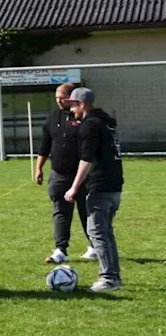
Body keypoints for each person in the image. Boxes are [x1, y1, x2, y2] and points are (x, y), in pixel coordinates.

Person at [63, 88, 124, 293]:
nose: (71, 110)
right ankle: (113, 275)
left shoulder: (90, 125)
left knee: (97, 232)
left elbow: (86, 159)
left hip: (101, 185)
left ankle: (109, 277)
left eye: (72, 105)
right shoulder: (106, 123)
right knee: (105, 232)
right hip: (115, 185)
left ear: (82, 104)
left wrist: (74, 187)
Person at [35, 82, 96, 264]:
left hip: (82, 176)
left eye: (62, 97)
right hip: (58, 174)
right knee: (60, 211)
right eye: (56, 97)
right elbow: (45, 145)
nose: (59, 101)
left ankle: (94, 246)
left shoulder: (84, 118)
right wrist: (39, 168)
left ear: (72, 98)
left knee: (87, 211)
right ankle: (61, 249)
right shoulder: (53, 117)